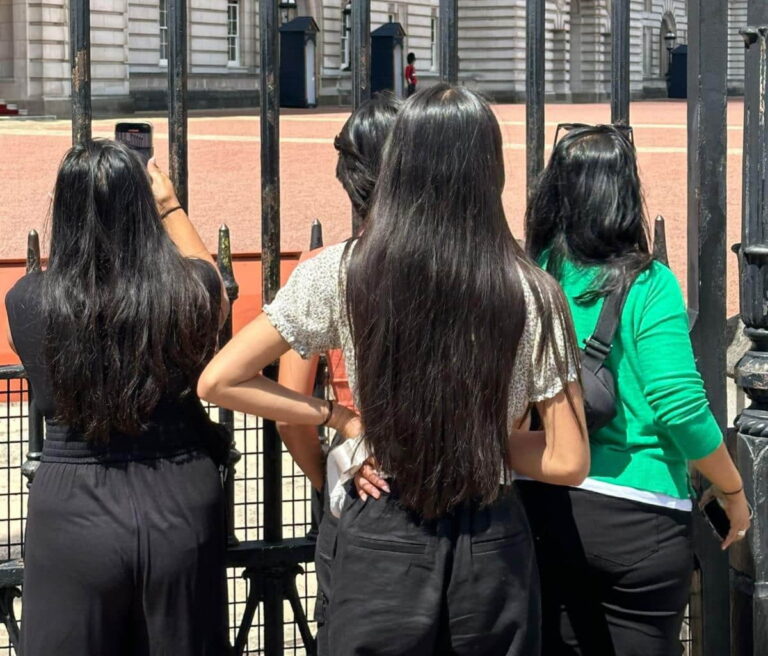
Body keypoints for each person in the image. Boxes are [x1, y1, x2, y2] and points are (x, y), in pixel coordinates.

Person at [199, 84, 588, 656]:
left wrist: (340, 418)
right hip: (489, 534)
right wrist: (477, 444)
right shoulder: (533, 290)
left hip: (384, 520)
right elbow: (567, 459)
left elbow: (219, 380)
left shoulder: (341, 270)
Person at [520, 123, 751, 656]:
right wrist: (733, 490)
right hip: (638, 512)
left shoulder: (534, 275)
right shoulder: (648, 283)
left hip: (541, 497)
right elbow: (681, 408)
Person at [5, 140, 232, 656]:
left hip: (73, 494)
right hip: (178, 487)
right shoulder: (187, 290)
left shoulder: (27, 299)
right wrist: (171, 206)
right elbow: (216, 288)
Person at [276, 94, 400, 653]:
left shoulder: (328, 270)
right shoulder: (477, 269)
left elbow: (287, 408)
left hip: (361, 480)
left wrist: (329, 462)